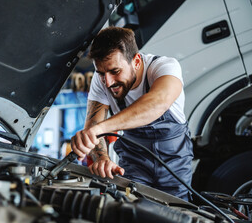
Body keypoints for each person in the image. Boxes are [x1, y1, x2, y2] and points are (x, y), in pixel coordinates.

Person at [71, 26, 194, 200]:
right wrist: (101, 158)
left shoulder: (164, 67)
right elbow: (92, 130)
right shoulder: (102, 82)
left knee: (177, 215)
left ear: (136, 61)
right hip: (134, 164)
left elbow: (157, 103)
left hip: (174, 166)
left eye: (115, 71)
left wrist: (99, 129)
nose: (108, 82)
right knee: (131, 209)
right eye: (101, 73)